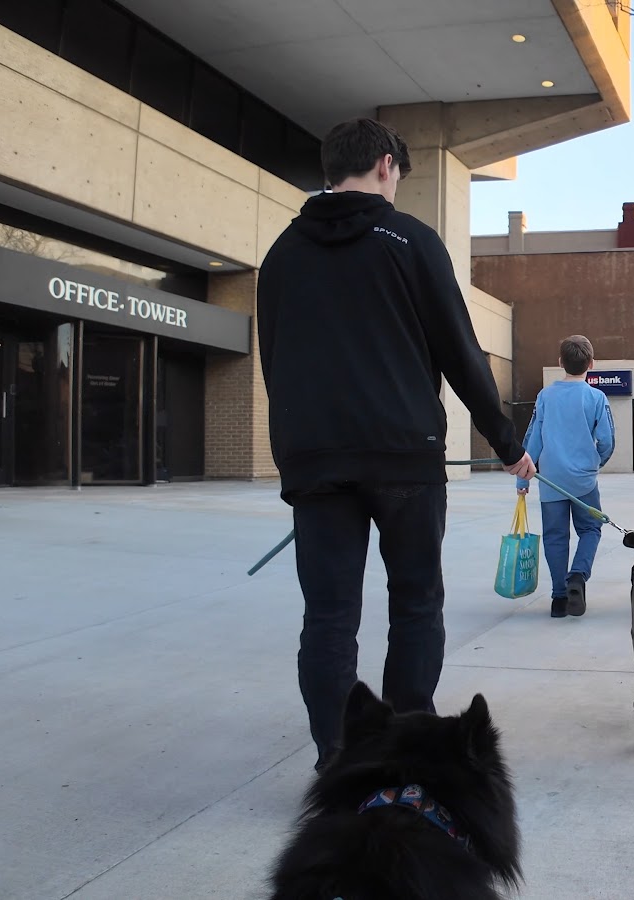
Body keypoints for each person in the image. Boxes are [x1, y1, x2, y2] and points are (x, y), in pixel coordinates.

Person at [257, 117, 536, 771]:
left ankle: (338, 758)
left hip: (317, 461)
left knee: (329, 615)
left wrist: (296, 448)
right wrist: (507, 443)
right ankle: (409, 744)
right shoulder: (409, 240)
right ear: (386, 164)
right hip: (404, 453)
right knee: (414, 602)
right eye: (399, 176)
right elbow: (460, 352)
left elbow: (274, 359)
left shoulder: (282, 255)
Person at [516, 335, 616, 618]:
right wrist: (596, 462)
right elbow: (607, 441)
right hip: (584, 481)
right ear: (591, 364)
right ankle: (578, 576)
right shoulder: (596, 397)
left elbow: (533, 438)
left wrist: (523, 479)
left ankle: (559, 598)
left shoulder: (545, 396)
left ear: (560, 362)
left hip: (551, 480)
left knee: (555, 537)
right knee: (591, 529)